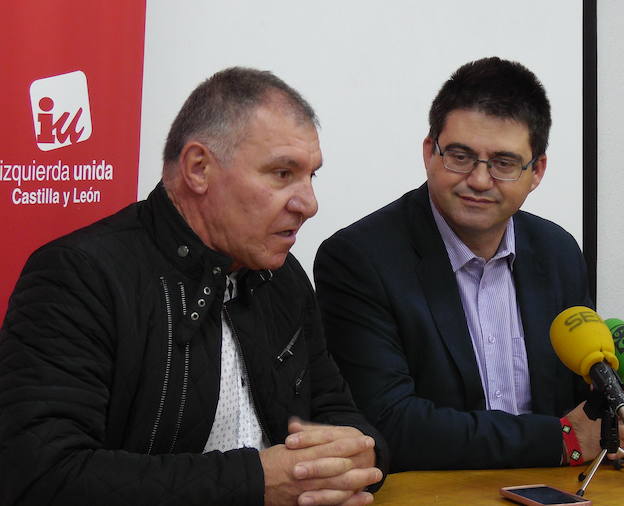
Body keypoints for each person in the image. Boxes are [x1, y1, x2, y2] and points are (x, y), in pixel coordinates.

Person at [0, 67, 387, 506]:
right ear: (198, 168)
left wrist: (359, 456)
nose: (309, 204)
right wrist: (255, 483)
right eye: (282, 174)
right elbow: (42, 476)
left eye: (311, 176)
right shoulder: (79, 275)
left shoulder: (284, 277)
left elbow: (341, 413)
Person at [313, 57, 624, 472]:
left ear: (537, 172)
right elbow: (387, 424)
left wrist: (618, 414)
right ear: (430, 152)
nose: (479, 180)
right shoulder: (358, 259)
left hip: (558, 490)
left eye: (503, 163)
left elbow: (577, 397)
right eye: (459, 156)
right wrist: (562, 439)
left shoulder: (557, 252)